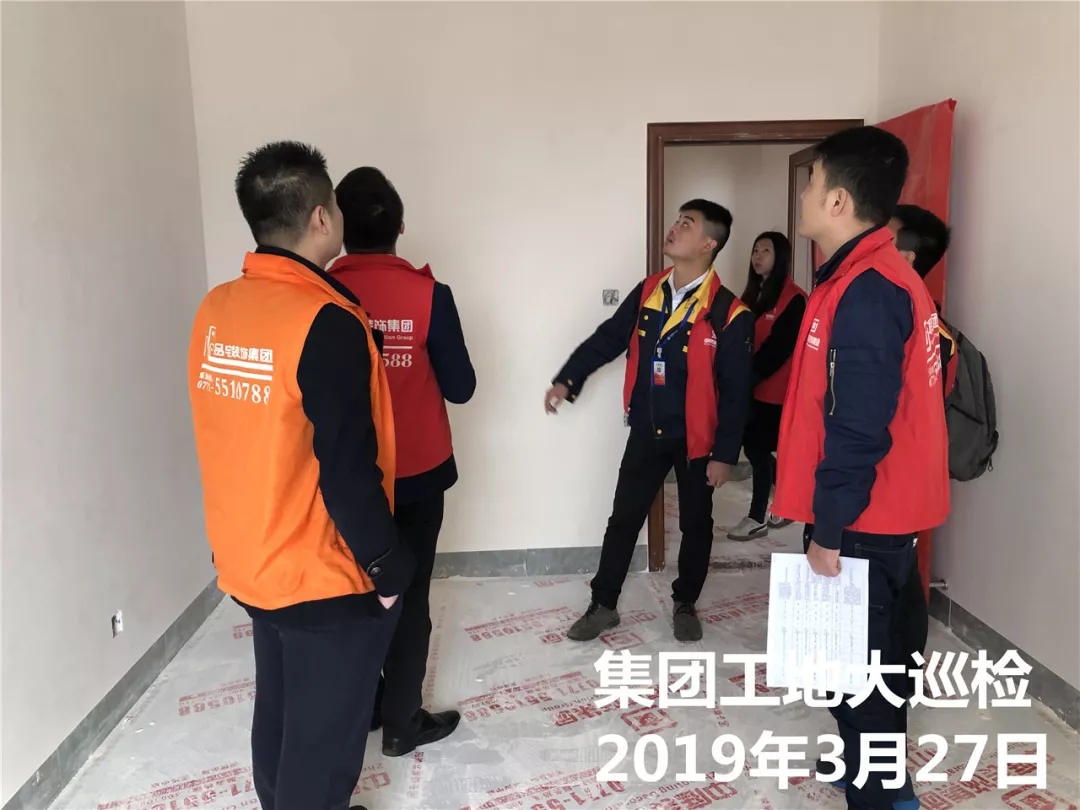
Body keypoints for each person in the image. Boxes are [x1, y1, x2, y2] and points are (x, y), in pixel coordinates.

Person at [187, 141, 415, 810]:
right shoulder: (326, 323)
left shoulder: (217, 308)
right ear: (321, 217)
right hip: (320, 575)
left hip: (249, 557)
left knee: (282, 714)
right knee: (323, 749)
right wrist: (388, 569)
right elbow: (347, 471)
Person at [770, 126, 949, 810]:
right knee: (872, 674)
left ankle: (881, 791)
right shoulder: (863, 278)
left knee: (862, 685)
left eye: (811, 182)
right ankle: (875, 771)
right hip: (878, 516)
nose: (804, 196)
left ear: (839, 200)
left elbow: (857, 425)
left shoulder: (870, 289)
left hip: (864, 521)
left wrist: (829, 529)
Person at [545, 199, 755, 643]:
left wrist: (724, 455)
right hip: (647, 429)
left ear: (709, 244)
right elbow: (609, 338)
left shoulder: (729, 313)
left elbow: (736, 393)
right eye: (677, 220)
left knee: (695, 523)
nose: (674, 228)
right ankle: (603, 604)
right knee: (624, 519)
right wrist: (568, 378)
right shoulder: (649, 291)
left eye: (687, 224)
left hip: (696, 440)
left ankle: (685, 602)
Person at [328, 166, 475, 758]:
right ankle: (401, 723)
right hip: (416, 474)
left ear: (337, 228)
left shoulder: (317, 291)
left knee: (349, 593)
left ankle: (364, 708)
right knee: (408, 598)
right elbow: (462, 387)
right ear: (401, 226)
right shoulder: (429, 296)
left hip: (343, 478)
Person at [727, 232, 806, 541]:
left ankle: (758, 516)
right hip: (752, 387)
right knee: (755, 449)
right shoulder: (751, 296)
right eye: (755, 250)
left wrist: (747, 378)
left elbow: (778, 349)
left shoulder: (793, 299)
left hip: (777, 393)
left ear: (780, 257)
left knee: (760, 450)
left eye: (766, 251)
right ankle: (786, 499)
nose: (757, 256)